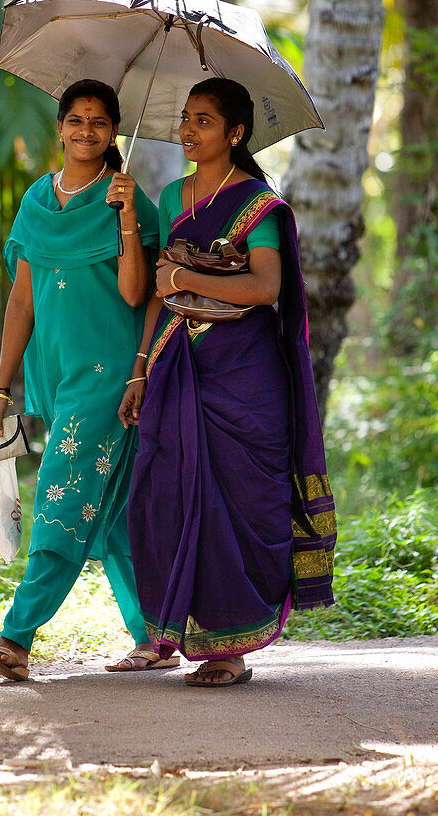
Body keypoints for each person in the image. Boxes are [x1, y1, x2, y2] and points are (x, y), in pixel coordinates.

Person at [119, 77, 336, 688]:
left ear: (236, 134)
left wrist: (186, 278)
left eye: (204, 121)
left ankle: (229, 649)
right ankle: (173, 632)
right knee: (163, 495)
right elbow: (155, 295)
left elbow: (264, 288)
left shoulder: (258, 205)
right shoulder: (170, 197)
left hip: (244, 376)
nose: (188, 129)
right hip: (175, 367)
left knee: (241, 501)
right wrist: (140, 368)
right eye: (186, 118)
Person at [0, 79, 175, 681]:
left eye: (100, 123)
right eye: (77, 120)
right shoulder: (36, 202)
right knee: (110, 512)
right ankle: (153, 635)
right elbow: (21, 305)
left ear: (115, 133)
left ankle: (16, 637)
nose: (87, 132)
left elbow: (139, 294)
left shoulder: (128, 199)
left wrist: (131, 218)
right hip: (58, 382)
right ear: (59, 127)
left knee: (60, 491)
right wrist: (2, 391)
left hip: (111, 376)